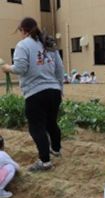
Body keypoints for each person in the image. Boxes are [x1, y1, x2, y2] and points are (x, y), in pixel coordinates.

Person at [1, 17, 63, 171]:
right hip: (54, 90)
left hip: (35, 92)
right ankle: (55, 150)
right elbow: (59, 68)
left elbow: (20, 68)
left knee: (37, 127)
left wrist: (7, 68)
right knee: (51, 123)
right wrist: (60, 88)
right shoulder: (48, 44)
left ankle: (44, 161)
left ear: (23, 30)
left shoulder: (23, 45)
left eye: (20, 31)